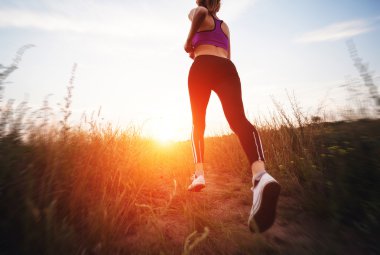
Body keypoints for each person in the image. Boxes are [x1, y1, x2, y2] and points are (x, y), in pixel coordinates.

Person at [184, 0, 281, 233]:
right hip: (227, 68)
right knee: (239, 120)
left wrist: (189, 43)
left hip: (202, 66)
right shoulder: (224, 26)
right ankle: (261, 176)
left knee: (198, 122)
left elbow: (198, 13)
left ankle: (199, 174)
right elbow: (227, 54)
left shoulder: (198, 12)